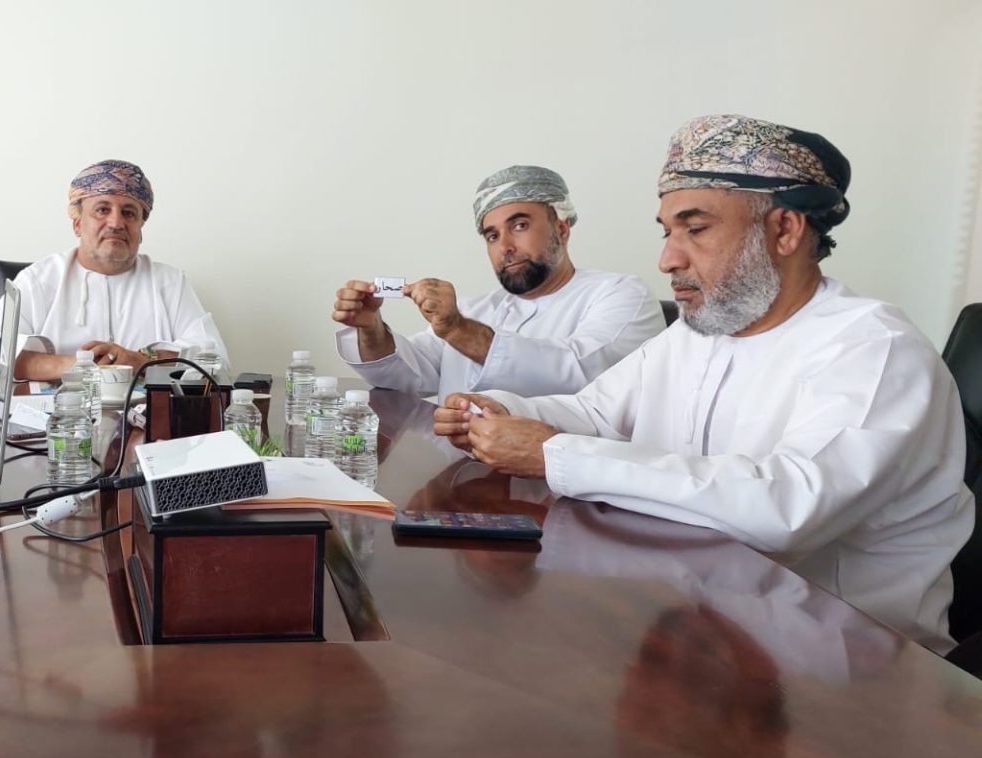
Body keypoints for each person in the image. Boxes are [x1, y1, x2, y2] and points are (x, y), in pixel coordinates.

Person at [433, 114, 975, 651]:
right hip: (701, 630)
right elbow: (595, 412)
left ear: (785, 230)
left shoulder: (877, 348)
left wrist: (552, 453)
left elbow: (787, 507)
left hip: (842, 662)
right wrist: (497, 409)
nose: (667, 258)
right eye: (667, 232)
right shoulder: (701, 330)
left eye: (695, 229)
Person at [333, 165, 664, 402]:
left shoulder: (622, 295)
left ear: (561, 229)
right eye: (492, 235)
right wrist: (370, 329)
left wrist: (458, 329)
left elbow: (581, 374)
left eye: (519, 226)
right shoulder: (476, 309)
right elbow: (405, 377)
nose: (504, 246)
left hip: (561, 476)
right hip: (457, 471)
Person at [0, 159, 227, 381]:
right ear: (77, 224)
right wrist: (80, 367)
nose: (116, 222)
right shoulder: (39, 280)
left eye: (129, 213)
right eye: (102, 210)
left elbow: (216, 361)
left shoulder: (170, 282)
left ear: (140, 228)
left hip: (147, 422)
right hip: (59, 420)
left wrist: (140, 360)